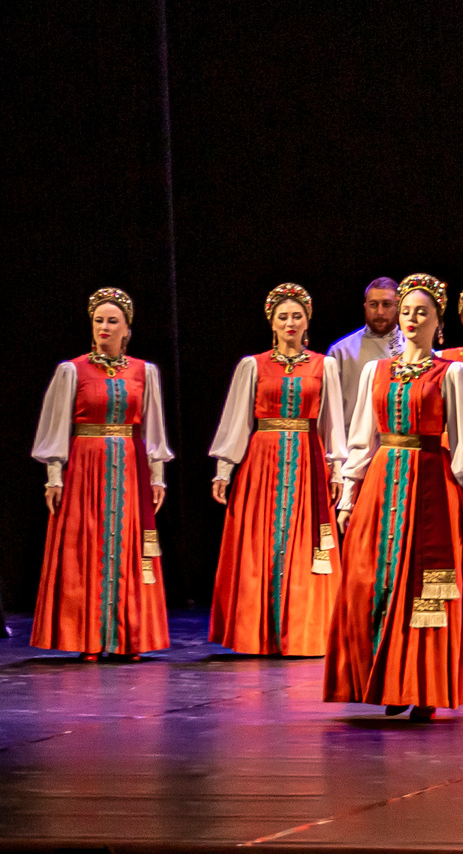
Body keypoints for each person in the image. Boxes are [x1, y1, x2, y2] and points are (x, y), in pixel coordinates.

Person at [324, 276, 463, 719]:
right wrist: (348, 497)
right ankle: (385, 680)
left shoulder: (452, 372)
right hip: (384, 480)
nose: (413, 318)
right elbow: (362, 438)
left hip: (432, 484)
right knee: (368, 579)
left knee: (427, 587)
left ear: (438, 321)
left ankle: (425, 684)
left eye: (423, 312)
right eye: (407, 311)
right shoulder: (375, 371)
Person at [31, 287, 175, 660]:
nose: (105, 328)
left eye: (113, 321)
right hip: (85, 465)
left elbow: (151, 429)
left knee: (127, 546)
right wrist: (54, 476)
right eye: (99, 321)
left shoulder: (145, 372)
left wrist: (157, 475)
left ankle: (129, 637)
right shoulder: (72, 370)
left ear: (127, 329)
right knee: (86, 546)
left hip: (129, 465)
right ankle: (87, 639)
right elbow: (57, 426)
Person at [207, 283, 347, 657]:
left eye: (296, 316)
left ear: (307, 322)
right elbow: (237, 421)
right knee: (260, 541)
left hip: (307, 460)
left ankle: (303, 632)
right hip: (262, 462)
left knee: (305, 544)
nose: (290, 322)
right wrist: (224, 469)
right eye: (283, 316)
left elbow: (332, 422)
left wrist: (336, 470)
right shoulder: (253, 365)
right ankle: (257, 632)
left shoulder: (324, 365)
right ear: (272, 322)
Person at [327, 278, 399, 440]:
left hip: (399, 443)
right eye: (374, 304)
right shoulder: (341, 352)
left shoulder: (412, 348)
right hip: (351, 443)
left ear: (398, 307)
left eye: (386, 304)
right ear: (365, 307)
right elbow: (329, 410)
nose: (380, 312)